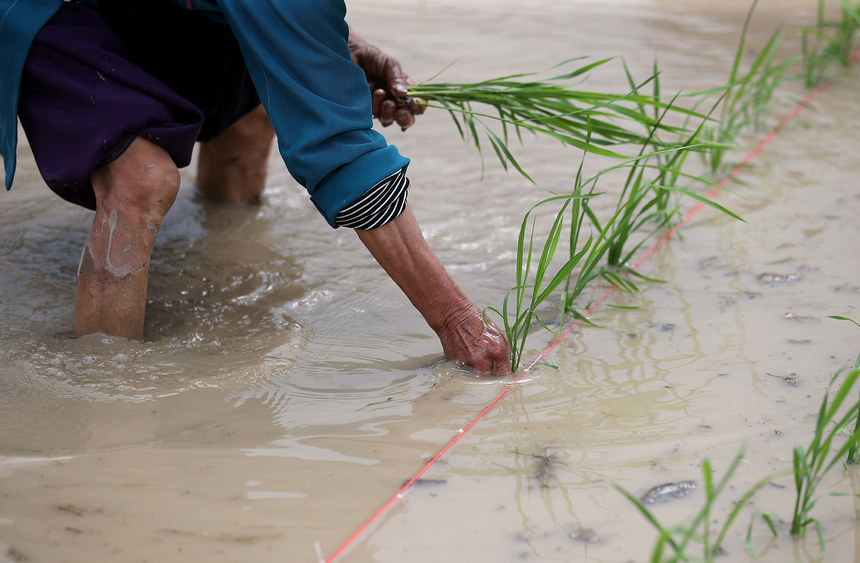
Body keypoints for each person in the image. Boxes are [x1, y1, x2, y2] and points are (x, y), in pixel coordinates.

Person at [0, 0, 512, 375]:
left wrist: (341, 47)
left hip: (170, 13)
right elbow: (339, 149)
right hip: (57, 11)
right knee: (141, 180)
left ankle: (220, 246)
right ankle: (103, 386)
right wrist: (455, 320)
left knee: (263, 103)